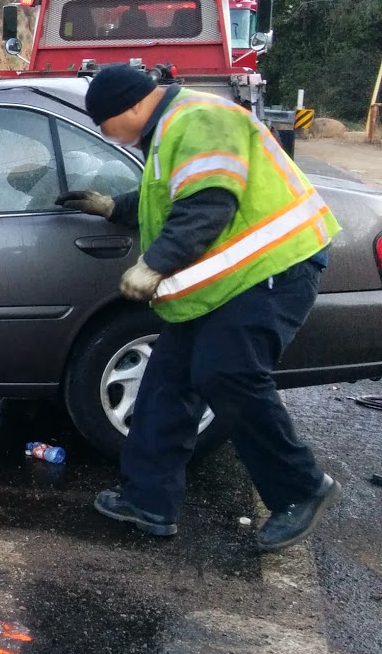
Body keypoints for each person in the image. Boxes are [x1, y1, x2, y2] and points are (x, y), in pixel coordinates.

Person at [56, 64, 342, 551]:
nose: (107, 135)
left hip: (271, 269)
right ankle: (149, 500)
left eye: (106, 124)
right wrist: (113, 207)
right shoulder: (169, 130)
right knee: (167, 384)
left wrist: (153, 266)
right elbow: (168, 197)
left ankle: (301, 488)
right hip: (223, 284)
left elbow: (207, 204)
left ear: (132, 106)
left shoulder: (199, 118)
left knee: (228, 374)